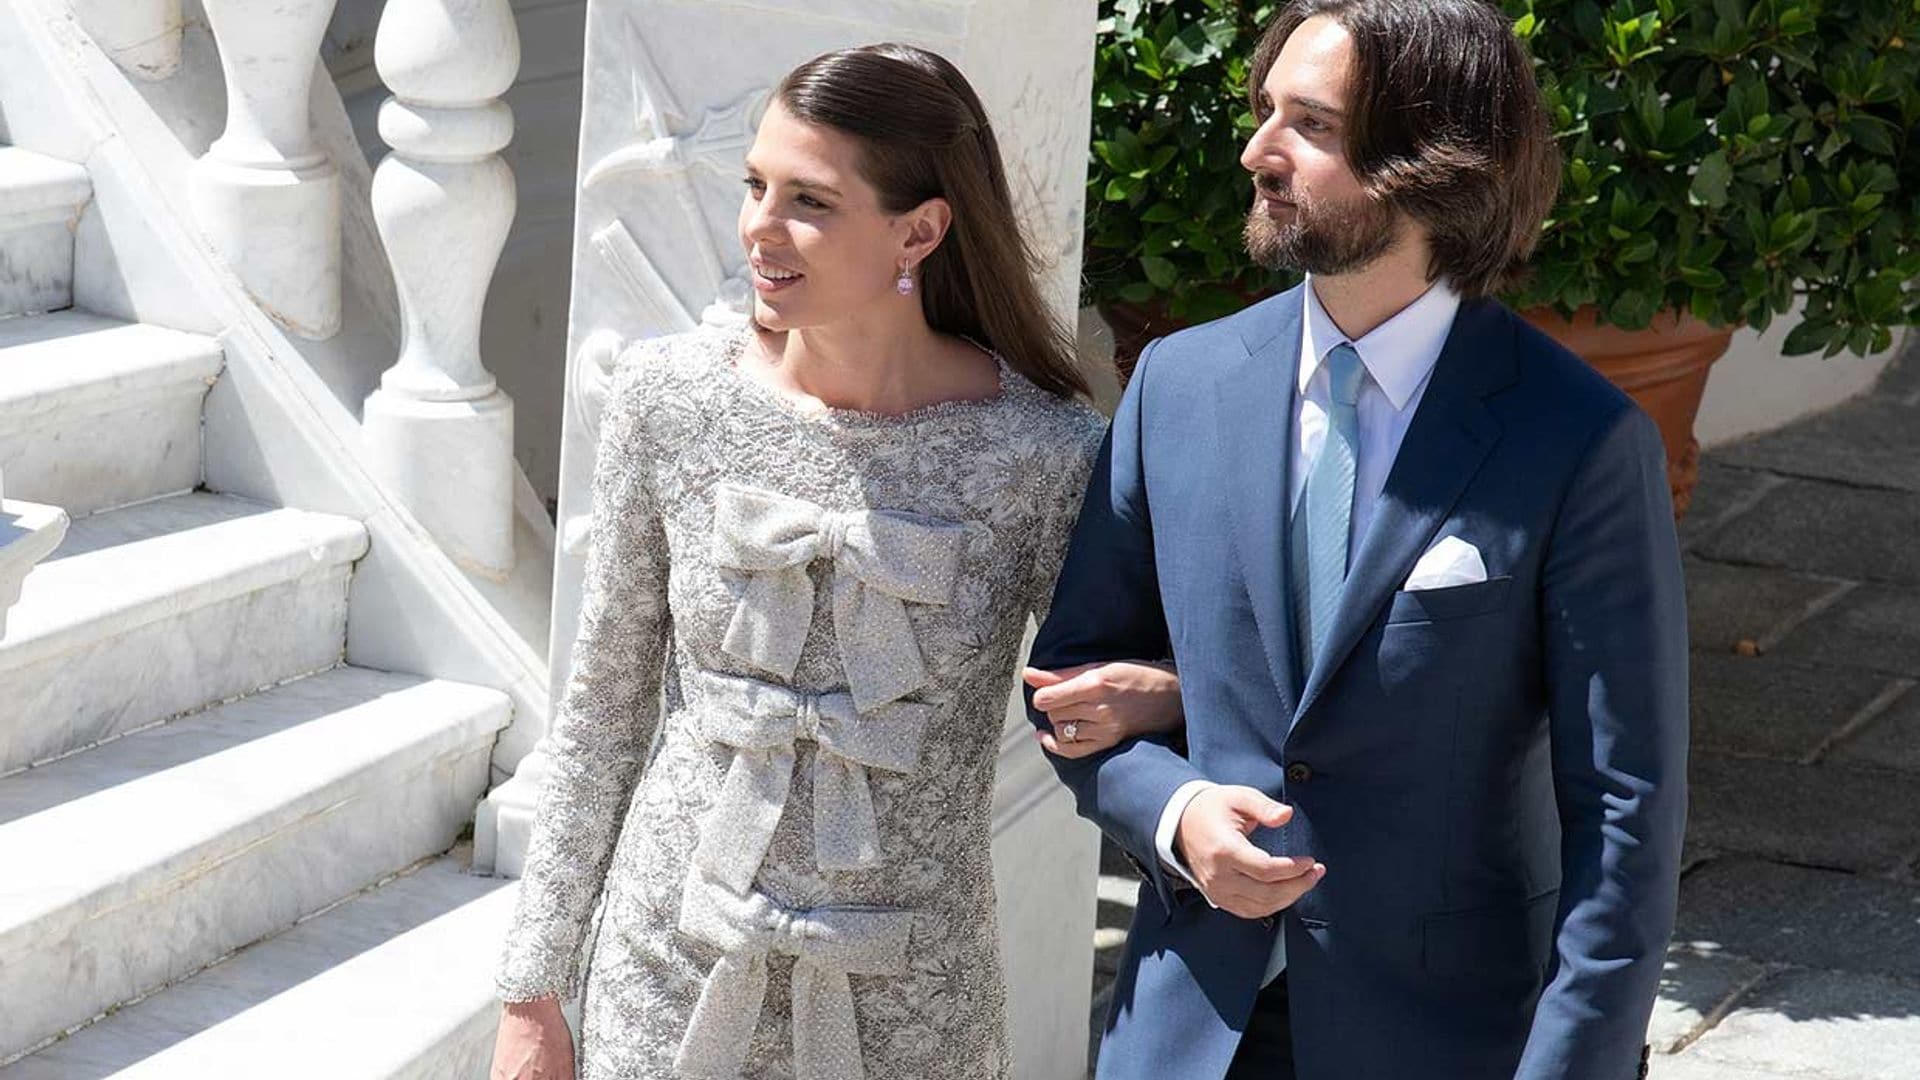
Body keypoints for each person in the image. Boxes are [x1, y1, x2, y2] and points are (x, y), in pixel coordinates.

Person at [488, 43, 1185, 1080]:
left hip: (913, 996)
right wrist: (532, 991)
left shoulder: (1043, 456)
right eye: (755, 185)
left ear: (921, 229)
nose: (760, 228)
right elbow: (602, 714)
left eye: (809, 199)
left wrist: (1169, 697)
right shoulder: (667, 402)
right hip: (665, 967)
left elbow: (1103, 697)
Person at [1027, 2, 1688, 1078]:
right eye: (1264, 112)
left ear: (1431, 165)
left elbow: (1625, 809)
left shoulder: (1577, 440)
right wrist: (1180, 813)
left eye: (1312, 125)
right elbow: (1065, 680)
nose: (1257, 151)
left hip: (1442, 1036)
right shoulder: (1178, 387)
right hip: (1189, 1026)